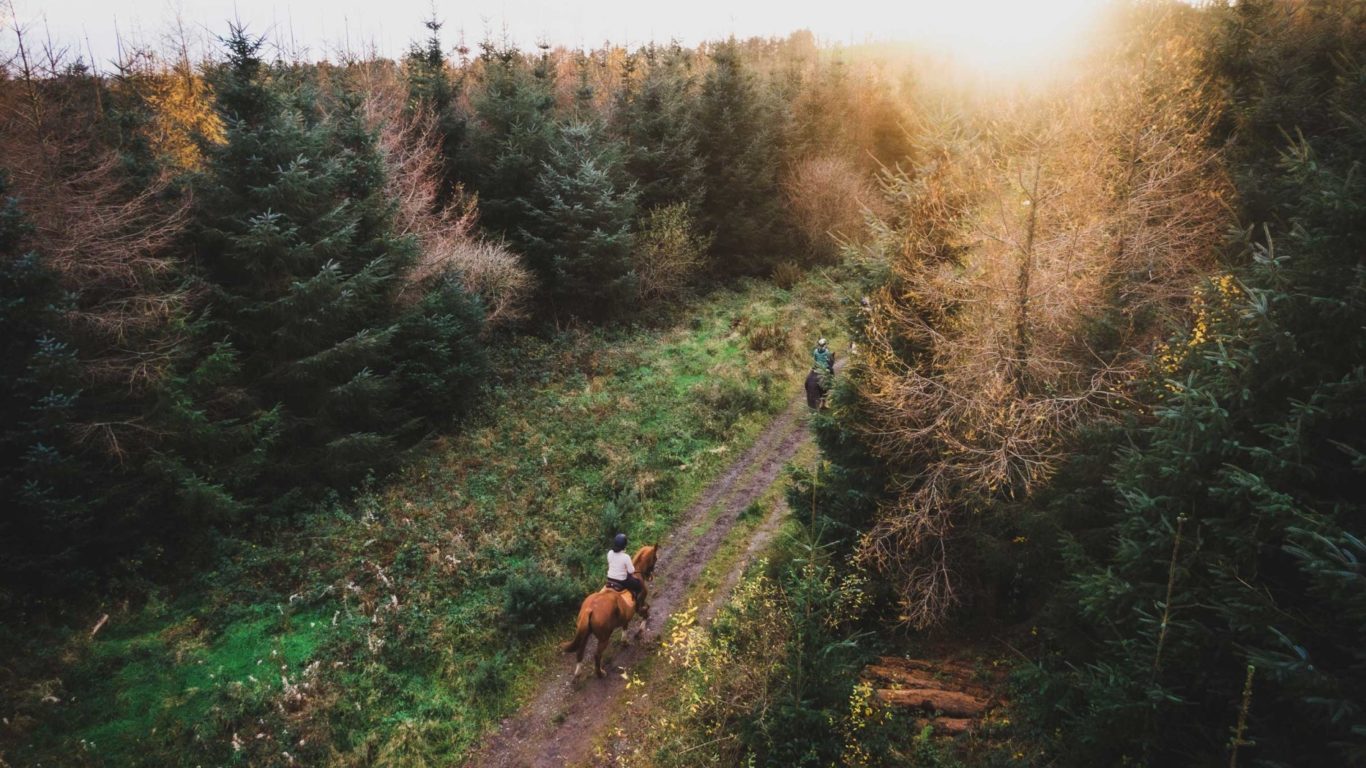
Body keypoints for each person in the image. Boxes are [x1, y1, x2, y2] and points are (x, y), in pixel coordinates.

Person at [606, 532, 643, 604]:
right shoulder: (626, 557)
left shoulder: (609, 553)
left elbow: (610, 563)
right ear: (624, 546)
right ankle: (638, 603)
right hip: (621, 581)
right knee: (639, 585)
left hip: (609, 579)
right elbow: (631, 571)